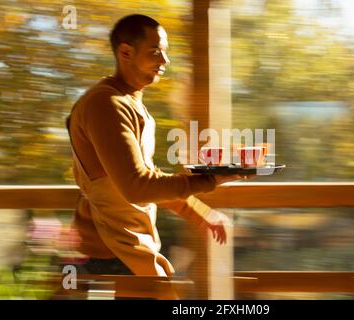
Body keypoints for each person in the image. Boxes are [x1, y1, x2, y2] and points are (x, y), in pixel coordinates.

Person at [65, 14, 241, 278]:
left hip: (129, 252)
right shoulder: (107, 105)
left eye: (165, 52)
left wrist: (201, 213)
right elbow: (137, 187)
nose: (165, 61)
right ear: (126, 52)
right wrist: (210, 179)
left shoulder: (130, 104)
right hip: (107, 258)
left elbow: (147, 181)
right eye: (156, 52)